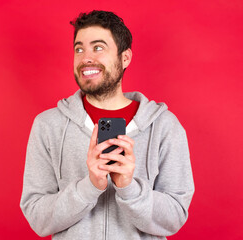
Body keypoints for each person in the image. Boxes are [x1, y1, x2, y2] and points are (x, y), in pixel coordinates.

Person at [20, 10, 194, 240]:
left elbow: (174, 218)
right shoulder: (47, 125)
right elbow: (38, 219)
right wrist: (89, 186)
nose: (86, 58)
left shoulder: (164, 127)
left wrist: (129, 188)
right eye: (79, 49)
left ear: (125, 58)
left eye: (98, 47)